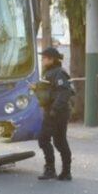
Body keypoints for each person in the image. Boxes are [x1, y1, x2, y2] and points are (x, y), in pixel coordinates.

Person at [36, 47, 74, 181]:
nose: (42, 60)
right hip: (53, 110)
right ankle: (65, 172)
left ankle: (51, 169)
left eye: (44, 58)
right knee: (59, 141)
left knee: (44, 139)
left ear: (51, 59)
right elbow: (49, 91)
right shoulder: (50, 72)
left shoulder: (59, 73)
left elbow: (64, 92)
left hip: (57, 112)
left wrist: (54, 109)